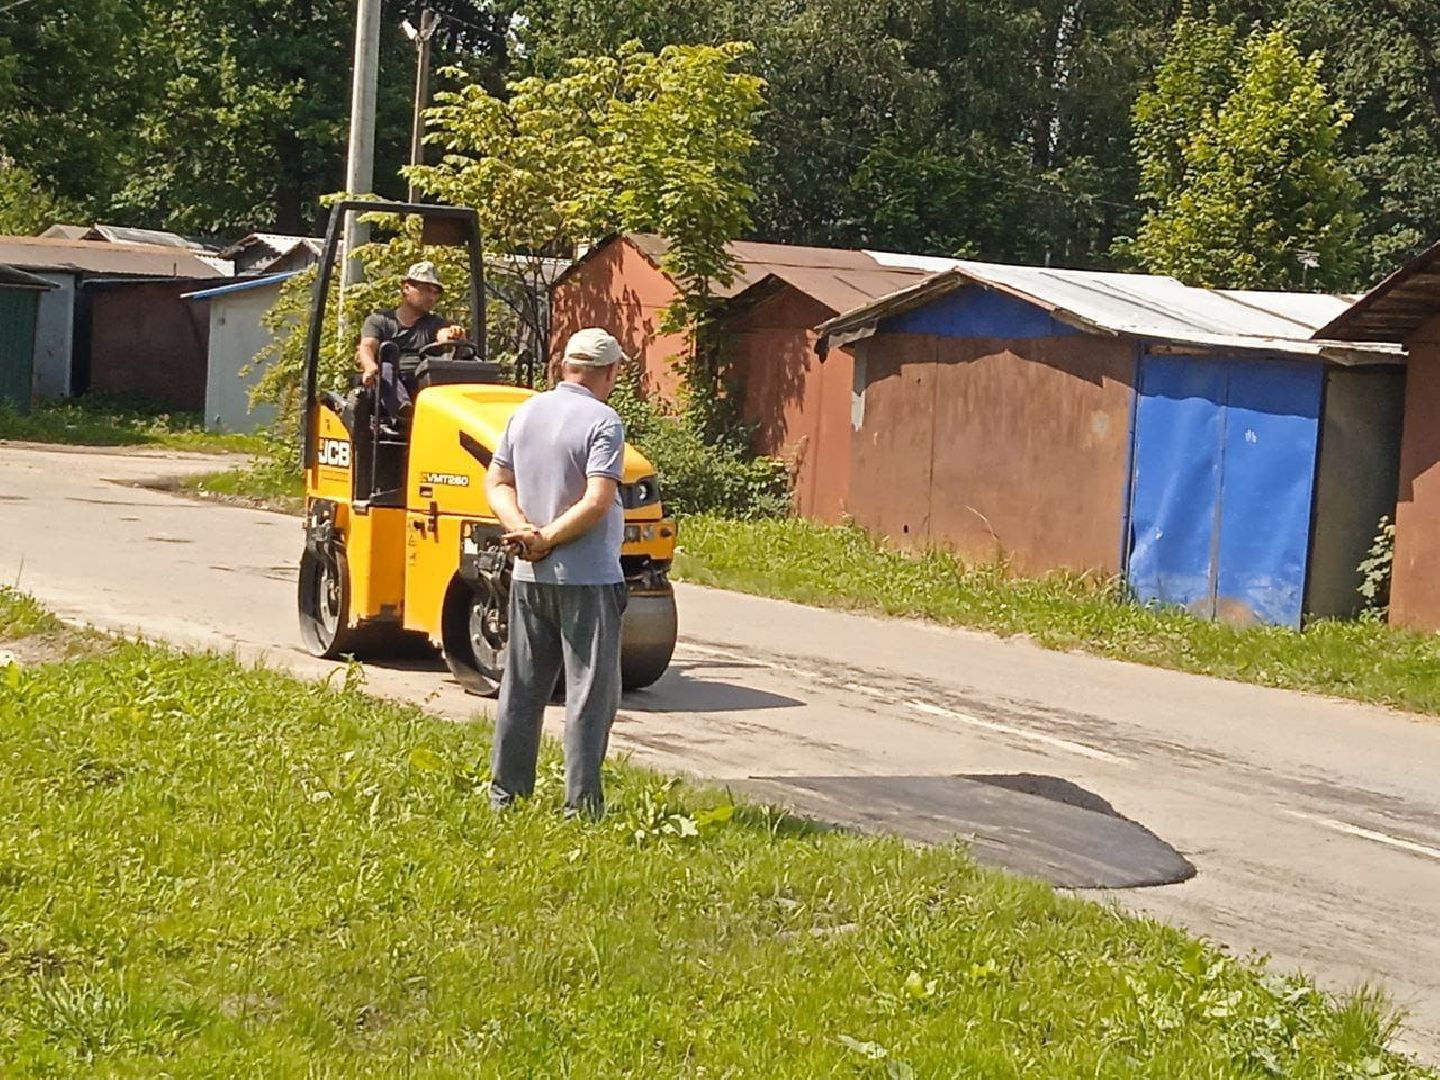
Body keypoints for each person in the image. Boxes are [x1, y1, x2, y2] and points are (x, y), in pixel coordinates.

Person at [484, 327, 629, 818]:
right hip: (588, 578)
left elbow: (497, 480)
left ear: (565, 366)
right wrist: (547, 538)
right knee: (590, 697)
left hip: (530, 576)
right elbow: (597, 500)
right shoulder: (603, 420)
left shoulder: (525, 411)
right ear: (607, 372)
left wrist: (522, 530)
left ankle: (506, 797)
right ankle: (581, 807)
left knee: (521, 691)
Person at [355, 260, 465, 423]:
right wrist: (370, 367)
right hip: (386, 388)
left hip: (422, 385)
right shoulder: (379, 321)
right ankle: (404, 412)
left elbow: (443, 335)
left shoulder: (434, 323)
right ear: (406, 288)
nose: (432, 297)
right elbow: (367, 346)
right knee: (385, 363)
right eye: (427, 290)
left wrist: (453, 334)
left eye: (435, 293)